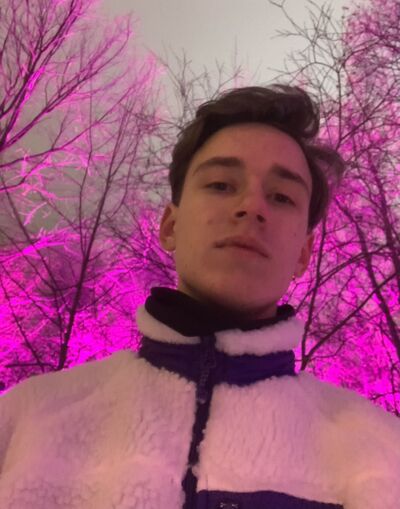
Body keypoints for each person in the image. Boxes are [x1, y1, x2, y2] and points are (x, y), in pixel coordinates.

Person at [0, 85, 399, 509]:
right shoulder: (24, 424)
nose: (252, 207)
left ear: (303, 253)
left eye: (282, 196)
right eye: (222, 185)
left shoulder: (383, 455)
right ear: (170, 226)